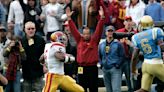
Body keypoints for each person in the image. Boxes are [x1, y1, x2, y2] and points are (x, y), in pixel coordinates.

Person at [66, 6, 105, 92]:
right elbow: (73, 30)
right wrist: (69, 19)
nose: (86, 35)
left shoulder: (94, 40)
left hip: (92, 68)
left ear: (90, 34)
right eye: (84, 34)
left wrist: (101, 19)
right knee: (82, 89)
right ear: (82, 34)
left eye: (88, 34)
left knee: (93, 88)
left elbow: (99, 30)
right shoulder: (79, 39)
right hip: (81, 68)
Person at [131, 15, 164, 92]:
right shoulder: (155, 31)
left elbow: (134, 57)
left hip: (145, 65)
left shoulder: (136, 37)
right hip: (156, 63)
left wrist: (133, 70)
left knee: (143, 90)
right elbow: (162, 47)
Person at [99, 25, 125, 92]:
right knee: (108, 90)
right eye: (108, 31)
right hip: (105, 69)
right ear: (105, 32)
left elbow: (122, 56)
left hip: (115, 69)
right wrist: (101, 64)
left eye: (112, 31)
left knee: (116, 89)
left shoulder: (118, 44)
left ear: (114, 32)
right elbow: (99, 55)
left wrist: (117, 65)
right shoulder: (101, 44)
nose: (110, 33)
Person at [21, 21, 45, 92]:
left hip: (38, 73)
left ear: (35, 29)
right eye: (28, 29)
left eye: (32, 28)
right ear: (24, 30)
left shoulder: (41, 40)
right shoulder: (21, 41)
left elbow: (45, 55)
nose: (31, 30)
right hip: (26, 74)